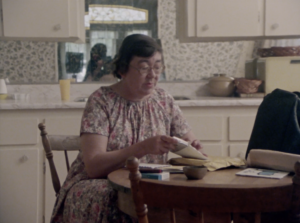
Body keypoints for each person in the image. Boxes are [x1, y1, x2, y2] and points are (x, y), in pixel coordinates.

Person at [50, 34, 206, 223]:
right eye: (144, 67)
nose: (152, 74)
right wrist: (142, 148)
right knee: (124, 197)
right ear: (123, 69)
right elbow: (93, 166)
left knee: (186, 198)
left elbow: (190, 142)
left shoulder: (164, 101)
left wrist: (194, 150)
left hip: (145, 183)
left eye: (157, 66)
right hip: (97, 183)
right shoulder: (101, 101)